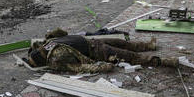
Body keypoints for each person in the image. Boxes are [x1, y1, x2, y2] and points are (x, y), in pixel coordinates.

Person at [27, 28, 179, 73]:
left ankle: (148, 46)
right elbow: (80, 67)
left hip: (92, 41)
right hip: (96, 51)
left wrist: (53, 33)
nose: (42, 49)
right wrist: (104, 67)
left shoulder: (47, 43)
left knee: (121, 42)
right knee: (130, 56)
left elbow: (63, 33)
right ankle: (165, 61)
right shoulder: (55, 60)